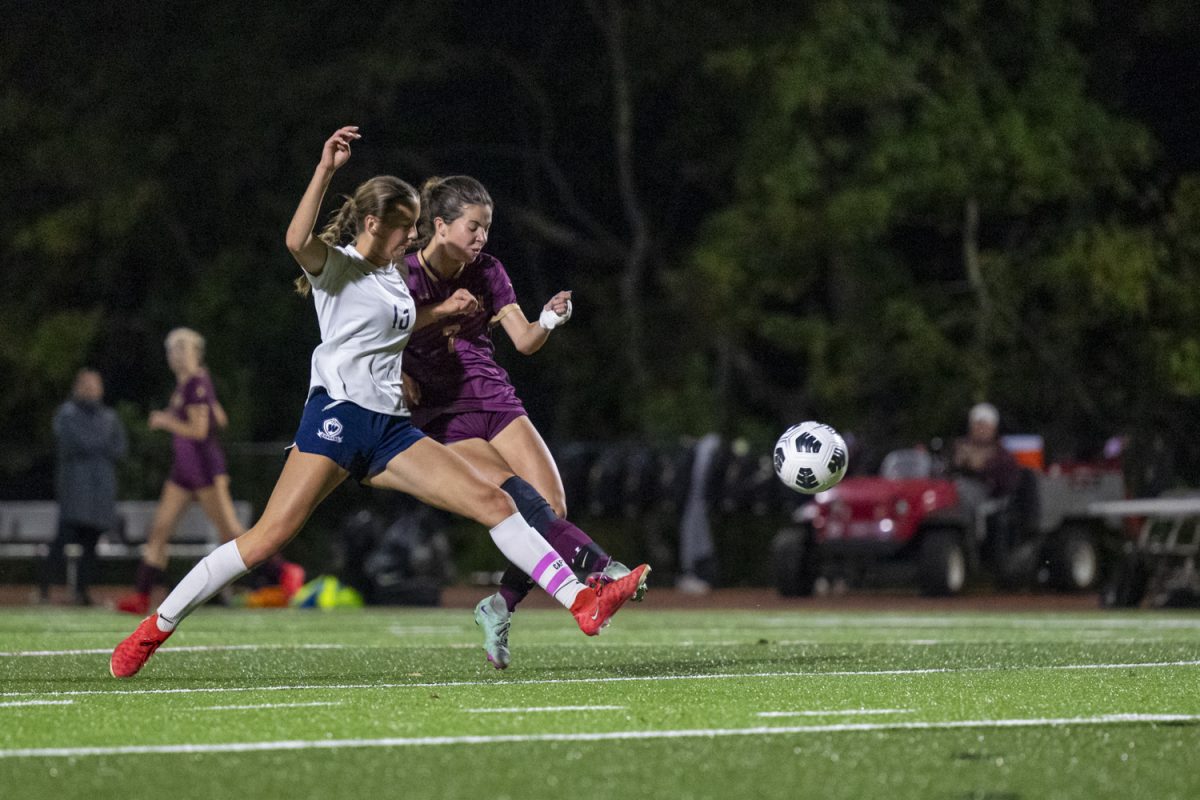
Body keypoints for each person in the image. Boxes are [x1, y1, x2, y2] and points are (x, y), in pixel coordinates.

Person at [110, 126, 648, 679]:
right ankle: (157, 626)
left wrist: (430, 334)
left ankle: (582, 601)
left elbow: (404, 324)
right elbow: (296, 241)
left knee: (496, 502)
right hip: (337, 422)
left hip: (392, 431)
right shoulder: (337, 267)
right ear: (373, 224)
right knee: (265, 540)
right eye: (404, 228)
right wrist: (326, 169)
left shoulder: (396, 277)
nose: (412, 238)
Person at [400, 175, 643, 670]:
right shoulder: (404, 274)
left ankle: (500, 605)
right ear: (441, 225)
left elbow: (525, 341)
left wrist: (551, 319)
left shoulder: (488, 271)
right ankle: (600, 567)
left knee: (552, 504)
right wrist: (405, 367)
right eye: (473, 227)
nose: (482, 238)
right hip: (443, 413)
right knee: (518, 502)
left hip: (495, 398)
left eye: (487, 228)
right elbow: (380, 331)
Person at [115, 328, 304, 614]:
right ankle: (142, 595)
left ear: (194, 353)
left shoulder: (196, 384)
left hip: (203, 469)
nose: (175, 354)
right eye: (173, 349)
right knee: (159, 529)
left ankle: (283, 572)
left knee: (231, 531)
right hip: (183, 470)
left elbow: (199, 430)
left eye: (182, 348)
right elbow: (221, 419)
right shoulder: (189, 384)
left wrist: (166, 421)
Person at [39, 368, 127, 605]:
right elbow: (79, 443)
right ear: (77, 387)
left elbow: (120, 448)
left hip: (101, 491)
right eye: (87, 385)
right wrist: (100, 445)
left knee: (91, 545)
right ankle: (44, 589)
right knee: (63, 540)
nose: (92, 389)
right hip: (75, 490)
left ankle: (82, 592)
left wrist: (97, 446)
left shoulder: (109, 416)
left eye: (95, 385)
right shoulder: (67, 414)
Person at [951, 402, 1021, 500]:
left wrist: (982, 467)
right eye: (977, 425)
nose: (981, 430)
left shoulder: (1003, 456)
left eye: (985, 426)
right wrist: (958, 463)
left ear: (994, 428)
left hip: (992, 503)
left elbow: (1007, 486)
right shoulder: (959, 449)